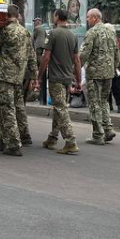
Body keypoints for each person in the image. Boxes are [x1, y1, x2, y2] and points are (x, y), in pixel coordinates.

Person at [0, 4, 35, 156]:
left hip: (6, 76)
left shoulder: (5, 31)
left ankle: (14, 143)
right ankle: (3, 138)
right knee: (9, 108)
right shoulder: (25, 31)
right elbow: (31, 55)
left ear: (6, 16)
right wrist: (34, 76)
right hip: (19, 76)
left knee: (7, 109)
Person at [40, 8, 81, 155]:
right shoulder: (73, 35)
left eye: (53, 16)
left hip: (56, 78)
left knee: (61, 109)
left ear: (57, 17)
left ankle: (70, 141)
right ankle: (52, 138)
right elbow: (77, 60)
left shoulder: (52, 34)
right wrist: (78, 80)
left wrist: (39, 77)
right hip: (67, 78)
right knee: (60, 107)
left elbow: (46, 57)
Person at [79, 8, 119, 145]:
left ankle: (97, 134)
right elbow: (116, 51)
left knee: (94, 103)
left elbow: (84, 54)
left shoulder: (92, 33)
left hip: (95, 73)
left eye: (88, 17)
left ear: (95, 18)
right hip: (109, 72)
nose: (87, 19)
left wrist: (76, 68)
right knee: (103, 101)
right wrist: (114, 67)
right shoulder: (111, 32)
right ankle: (108, 129)